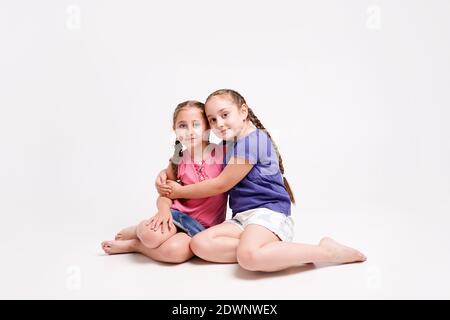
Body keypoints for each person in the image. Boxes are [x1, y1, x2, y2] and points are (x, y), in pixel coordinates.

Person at [158, 89, 367, 271]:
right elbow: (195, 162)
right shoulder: (230, 143)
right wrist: (163, 175)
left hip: (268, 213)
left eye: (224, 115)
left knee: (248, 258)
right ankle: (267, 251)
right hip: (243, 217)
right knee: (199, 243)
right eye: (212, 120)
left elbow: (221, 184)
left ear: (243, 111)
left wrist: (178, 192)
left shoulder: (253, 141)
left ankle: (324, 251)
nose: (219, 124)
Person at [101, 100, 227, 263]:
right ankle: (141, 229)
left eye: (196, 124)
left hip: (203, 229)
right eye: (182, 125)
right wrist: (163, 211)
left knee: (173, 253)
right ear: (174, 130)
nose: (189, 131)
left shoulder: (224, 154)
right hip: (176, 216)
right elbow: (165, 193)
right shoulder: (178, 160)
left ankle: (136, 246)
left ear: (208, 127)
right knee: (150, 236)